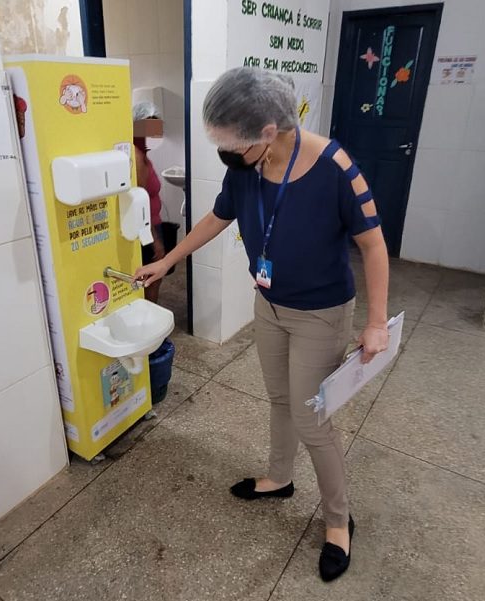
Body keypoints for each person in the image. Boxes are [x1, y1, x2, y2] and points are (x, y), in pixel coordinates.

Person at [134, 68, 390, 582]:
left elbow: (373, 244)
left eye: (233, 147)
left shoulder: (336, 166)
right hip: (269, 305)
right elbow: (218, 216)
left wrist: (377, 321)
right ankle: (279, 477)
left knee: (312, 418)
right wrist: (169, 261)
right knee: (279, 399)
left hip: (320, 312)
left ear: (269, 131)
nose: (227, 157)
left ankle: (339, 522)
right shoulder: (247, 165)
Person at [133, 102, 166, 303]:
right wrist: (155, 240)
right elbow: (139, 204)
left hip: (152, 225)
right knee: (151, 280)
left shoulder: (144, 155)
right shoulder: (136, 157)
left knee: (153, 279)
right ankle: (151, 328)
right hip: (146, 230)